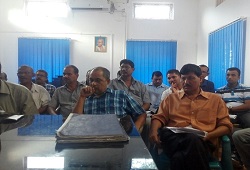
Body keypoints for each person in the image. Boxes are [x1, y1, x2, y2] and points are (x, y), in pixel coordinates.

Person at [149, 63, 232, 170]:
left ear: (201, 79)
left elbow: (226, 126)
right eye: (183, 78)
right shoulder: (171, 99)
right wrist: (153, 131)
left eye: (191, 78)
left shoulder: (215, 100)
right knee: (192, 139)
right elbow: (159, 117)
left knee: (180, 155)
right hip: (174, 138)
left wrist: (209, 136)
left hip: (203, 141)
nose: (186, 82)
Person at [73, 67, 146, 131]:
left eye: (98, 80)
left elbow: (141, 114)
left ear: (107, 81)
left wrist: (134, 130)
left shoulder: (120, 95)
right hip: (92, 134)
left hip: (118, 136)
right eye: (91, 80)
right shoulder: (86, 98)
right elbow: (75, 120)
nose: (93, 83)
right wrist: (82, 97)